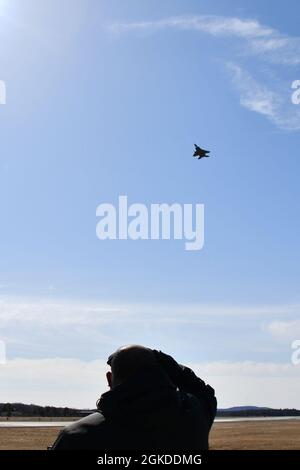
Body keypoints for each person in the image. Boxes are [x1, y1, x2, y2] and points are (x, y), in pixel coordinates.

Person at [51, 345, 217, 450]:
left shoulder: (76, 436)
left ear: (109, 379)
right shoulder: (194, 415)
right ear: (162, 374)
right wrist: (160, 358)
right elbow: (202, 390)